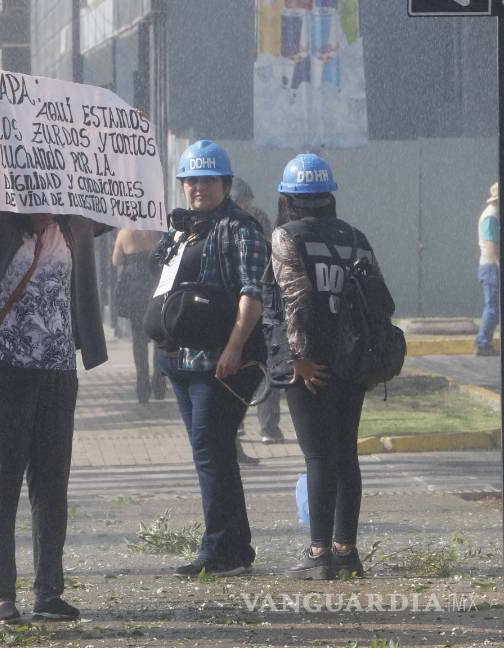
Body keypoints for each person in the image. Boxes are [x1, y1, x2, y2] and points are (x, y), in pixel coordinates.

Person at [0, 75, 111, 624]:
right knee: (1, 486)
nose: (49, 200)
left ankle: (49, 592)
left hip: (56, 374)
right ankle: (0, 594)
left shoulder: (74, 228)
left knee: (51, 487)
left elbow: (117, 192)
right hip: (2, 373)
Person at [152, 140, 268, 578]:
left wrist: (235, 347)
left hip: (219, 365)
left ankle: (221, 550)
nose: (197, 187)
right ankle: (233, 549)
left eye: (206, 180)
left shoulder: (241, 229)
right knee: (212, 453)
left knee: (211, 451)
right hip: (181, 363)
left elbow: (252, 292)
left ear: (225, 183)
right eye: (191, 180)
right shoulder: (183, 229)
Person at [269, 154, 376, 580]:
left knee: (318, 457)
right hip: (353, 364)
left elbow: (294, 300)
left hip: (312, 367)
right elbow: (378, 300)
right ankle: (346, 550)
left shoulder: (286, 236)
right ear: (327, 195)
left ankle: (318, 553)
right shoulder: (356, 238)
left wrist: (298, 359)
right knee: (346, 455)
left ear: (290, 198)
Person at [230, 178, 284, 445]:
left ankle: (243, 423)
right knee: (265, 367)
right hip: (261, 304)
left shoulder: (227, 222)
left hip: (241, 307)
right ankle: (267, 426)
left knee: (244, 367)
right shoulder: (257, 219)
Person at [112, 228, 167, 403]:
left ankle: (142, 387)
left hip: (134, 289)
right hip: (155, 286)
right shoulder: (158, 231)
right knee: (159, 336)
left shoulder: (125, 233)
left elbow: (117, 260)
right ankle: (159, 383)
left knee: (139, 340)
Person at [476, 182, 499, 356]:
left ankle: (485, 342)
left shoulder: (493, 214)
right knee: (492, 306)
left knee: (493, 306)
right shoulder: (492, 216)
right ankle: (482, 344)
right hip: (491, 266)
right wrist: (499, 262)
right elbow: (491, 244)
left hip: (490, 265)